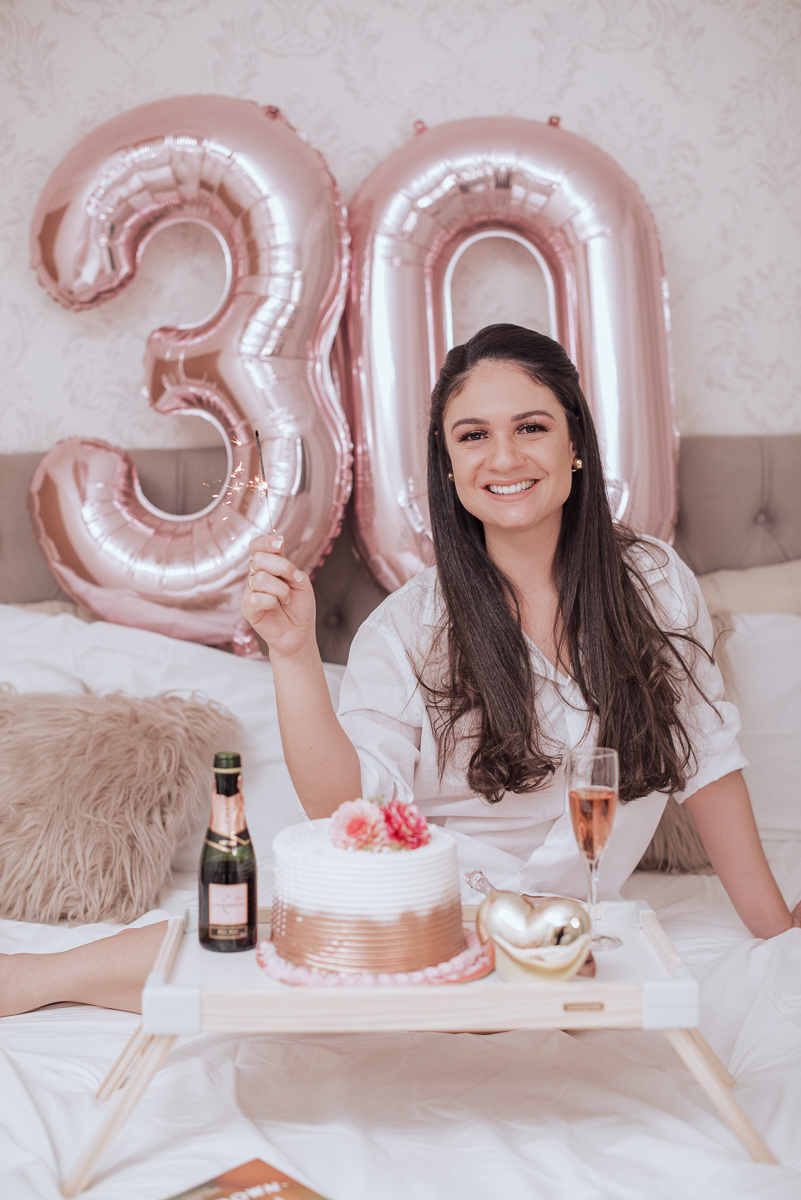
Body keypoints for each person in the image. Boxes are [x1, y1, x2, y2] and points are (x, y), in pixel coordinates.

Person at [1, 325, 797, 1018]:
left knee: (538, 1004)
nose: (505, 457)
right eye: (472, 436)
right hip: (436, 903)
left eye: (531, 427)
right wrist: (293, 653)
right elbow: (350, 805)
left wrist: (772, 929)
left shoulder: (653, 582)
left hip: (572, 918)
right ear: (447, 466)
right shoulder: (413, 624)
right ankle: (38, 975)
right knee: (279, 941)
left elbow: (705, 758)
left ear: (574, 444)